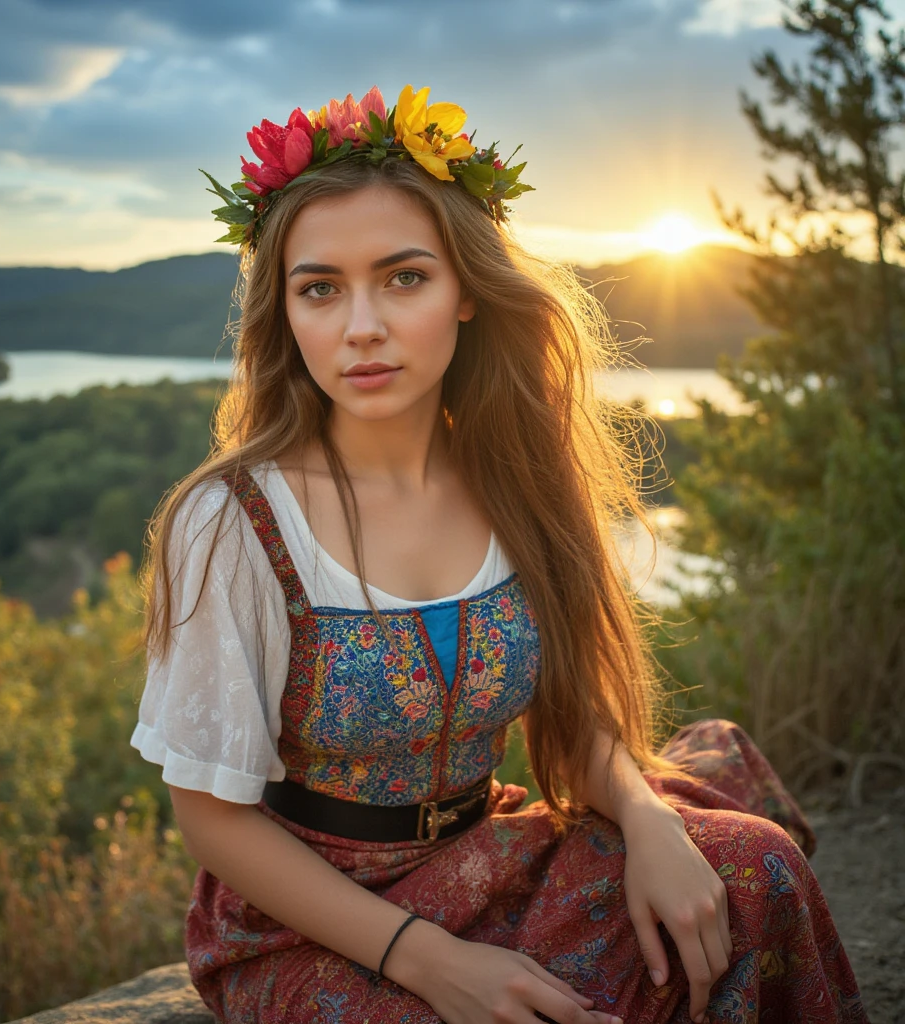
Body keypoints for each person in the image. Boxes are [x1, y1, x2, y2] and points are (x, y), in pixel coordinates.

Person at [131, 85, 869, 1023]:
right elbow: (211, 814)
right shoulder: (233, 521)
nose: (363, 326)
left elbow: (571, 719)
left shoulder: (514, 476)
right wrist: (430, 961)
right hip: (310, 914)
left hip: (490, 853)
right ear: (285, 313)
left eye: (404, 277)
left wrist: (648, 820)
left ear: (467, 290)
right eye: (321, 288)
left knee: (746, 869)